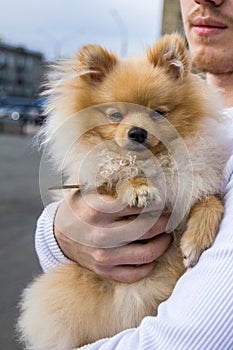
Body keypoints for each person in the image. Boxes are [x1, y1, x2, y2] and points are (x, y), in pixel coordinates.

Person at [35, 0, 233, 348]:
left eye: (157, 113)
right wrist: (57, 236)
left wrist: (206, 207)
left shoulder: (206, 138)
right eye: (116, 114)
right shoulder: (213, 124)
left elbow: (195, 339)